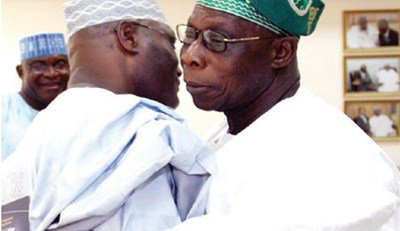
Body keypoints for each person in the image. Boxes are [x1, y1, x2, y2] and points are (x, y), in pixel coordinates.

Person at [172, 0, 400, 230]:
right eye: (191, 35)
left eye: (217, 40)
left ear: (281, 52)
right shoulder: (227, 134)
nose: (190, 55)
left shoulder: (334, 157)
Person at [2, 0, 215, 230]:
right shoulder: (146, 136)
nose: (179, 66)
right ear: (128, 36)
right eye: (170, 42)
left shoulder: (35, 139)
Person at [1, 33, 69, 161]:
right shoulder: (4, 109)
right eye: (39, 66)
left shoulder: (79, 110)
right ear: (21, 72)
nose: (51, 73)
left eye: (60, 64)